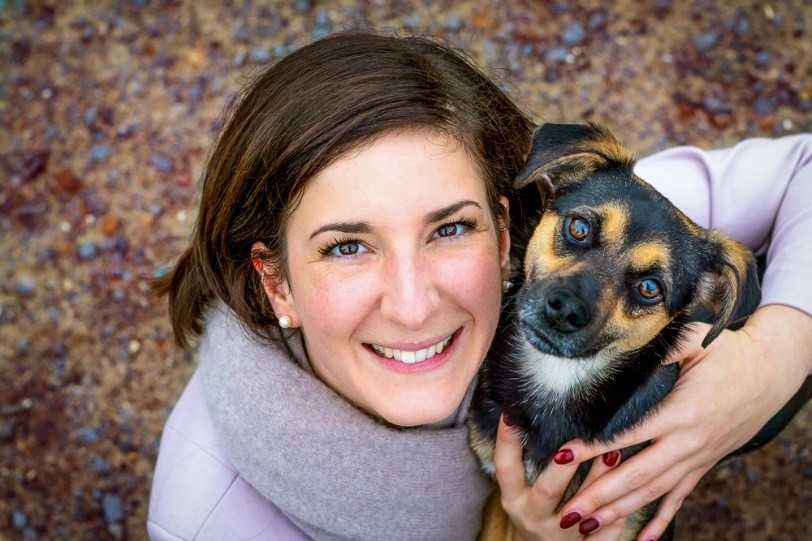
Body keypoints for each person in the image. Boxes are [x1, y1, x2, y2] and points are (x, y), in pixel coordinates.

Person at [147, 31, 812, 541]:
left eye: (449, 229)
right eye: (348, 246)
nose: (413, 305)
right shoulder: (207, 513)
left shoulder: (589, 224)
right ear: (278, 283)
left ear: (504, 231)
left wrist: (768, 361)